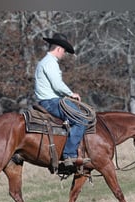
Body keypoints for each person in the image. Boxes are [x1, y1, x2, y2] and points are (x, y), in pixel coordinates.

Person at [34, 33, 89, 168]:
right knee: (81, 119)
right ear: (59, 49)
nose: (64, 54)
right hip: (51, 102)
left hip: (48, 100)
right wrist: (71, 94)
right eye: (64, 51)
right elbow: (57, 84)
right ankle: (69, 155)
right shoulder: (51, 62)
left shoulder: (44, 62)